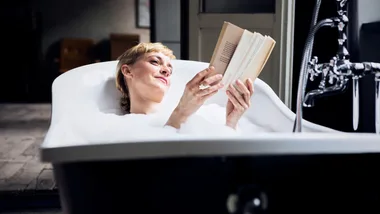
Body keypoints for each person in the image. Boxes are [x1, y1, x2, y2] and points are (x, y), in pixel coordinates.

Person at [115, 42, 254, 130]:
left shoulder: (202, 117)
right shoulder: (118, 128)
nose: (166, 70)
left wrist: (231, 125)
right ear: (127, 71)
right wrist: (181, 113)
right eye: (155, 62)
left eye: (170, 69)